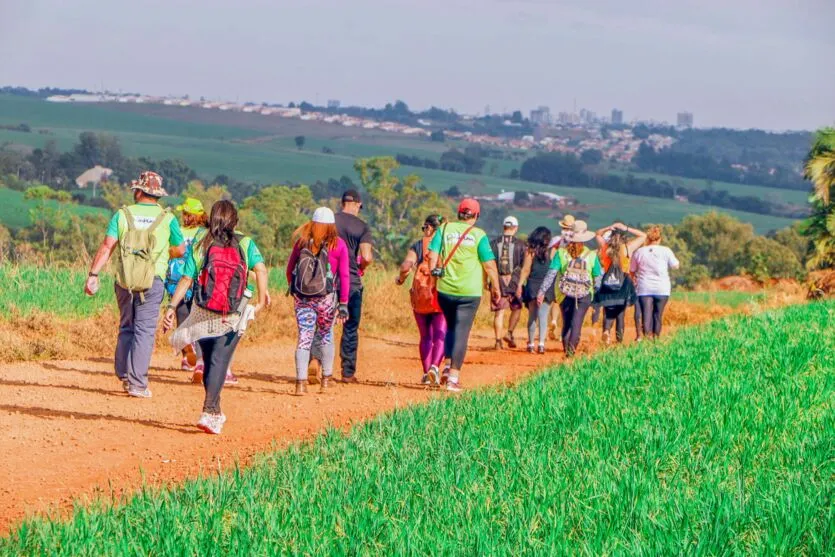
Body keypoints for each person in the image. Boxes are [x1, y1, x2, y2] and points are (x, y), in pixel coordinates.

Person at [163, 200, 269, 435]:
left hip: (202, 311)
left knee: (210, 360)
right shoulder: (246, 242)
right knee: (219, 362)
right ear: (235, 220)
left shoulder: (203, 243)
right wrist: (261, 300)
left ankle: (215, 410)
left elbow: (186, 279)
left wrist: (171, 306)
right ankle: (209, 410)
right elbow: (261, 269)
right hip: (231, 315)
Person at [85, 171, 185, 398]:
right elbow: (180, 250)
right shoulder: (168, 218)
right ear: (157, 194)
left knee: (127, 325)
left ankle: (123, 373)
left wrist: (93, 274)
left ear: (139, 191)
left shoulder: (122, 214)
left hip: (124, 280)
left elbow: (107, 246)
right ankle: (137, 383)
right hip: (153, 280)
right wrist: (162, 254)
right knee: (145, 331)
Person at [428, 199, 501, 392]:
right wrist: (496, 288)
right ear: (476, 216)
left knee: (451, 328)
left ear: (459, 213)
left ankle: (446, 367)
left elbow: (433, 255)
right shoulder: (479, 235)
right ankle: (453, 378)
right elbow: (489, 265)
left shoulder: (444, 229)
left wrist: (433, 277)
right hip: (469, 292)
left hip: (445, 290)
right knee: (461, 332)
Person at [286, 207, 351, 395]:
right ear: (332, 225)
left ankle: (300, 384)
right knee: (325, 335)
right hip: (326, 300)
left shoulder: (302, 242)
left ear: (312, 223)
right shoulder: (338, 245)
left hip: (303, 299)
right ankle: (326, 381)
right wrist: (343, 303)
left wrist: (296, 291)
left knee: (304, 338)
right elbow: (344, 276)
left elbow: (290, 269)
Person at [537, 220, 601, 357]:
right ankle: (570, 355)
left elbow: (551, 274)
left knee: (566, 323)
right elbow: (597, 277)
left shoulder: (561, 253)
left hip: (563, 293)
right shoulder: (591, 255)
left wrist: (542, 291)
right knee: (576, 324)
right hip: (584, 295)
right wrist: (596, 294)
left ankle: (567, 351)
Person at [395, 215, 447, 385]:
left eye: (424, 228)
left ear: (430, 228)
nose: (424, 231)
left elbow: (405, 266)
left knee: (425, 337)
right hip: (439, 295)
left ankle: (426, 374)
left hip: (420, 297)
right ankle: (434, 367)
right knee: (440, 335)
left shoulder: (418, 245)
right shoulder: (445, 245)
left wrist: (401, 279)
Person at [331, 190, 373, 383]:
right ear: (356, 204)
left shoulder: (329, 221)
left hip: (327, 281)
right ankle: (347, 373)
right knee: (350, 327)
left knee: (323, 325)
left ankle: (316, 361)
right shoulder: (362, 226)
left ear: (342, 203)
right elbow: (366, 257)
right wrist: (360, 267)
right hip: (352, 283)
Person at [165, 197, 208, 375]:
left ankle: (185, 356)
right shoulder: (206, 233)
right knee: (197, 319)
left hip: (177, 281)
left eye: (184, 213)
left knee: (181, 318)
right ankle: (199, 358)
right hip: (198, 280)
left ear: (189, 216)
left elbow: (170, 252)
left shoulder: (178, 232)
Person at [594, 222, 647, 344]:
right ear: (623, 237)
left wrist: (607, 227)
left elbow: (597, 234)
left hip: (608, 281)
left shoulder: (606, 247)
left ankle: (606, 331)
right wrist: (626, 228)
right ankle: (619, 340)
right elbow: (643, 236)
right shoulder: (628, 248)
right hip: (624, 282)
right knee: (620, 312)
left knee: (608, 308)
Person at [630, 225, 680, 339]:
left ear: (647, 239)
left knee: (646, 314)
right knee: (658, 315)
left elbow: (632, 270)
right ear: (659, 239)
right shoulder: (666, 250)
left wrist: (634, 279)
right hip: (662, 288)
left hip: (644, 288)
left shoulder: (639, 252)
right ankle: (656, 338)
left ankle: (647, 337)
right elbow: (675, 265)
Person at [515, 226, 554, 354]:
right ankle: (541, 344)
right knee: (543, 316)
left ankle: (531, 343)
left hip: (532, 284)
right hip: (546, 286)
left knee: (532, 316)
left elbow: (525, 270)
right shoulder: (552, 252)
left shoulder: (530, 251)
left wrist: (520, 284)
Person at [489, 216, 525, 350]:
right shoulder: (521, 245)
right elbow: (524, 266)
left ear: (503, 227)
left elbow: (489, 264)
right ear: (515, 228)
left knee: (499, 313)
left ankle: (498, 341)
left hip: (498, 282)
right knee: (517, 308)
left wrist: (490, 282)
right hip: (515, 281)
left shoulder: (493, 243)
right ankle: (509, 332)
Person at [547, 214, 575, 340]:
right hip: (572, 273)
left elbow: (551, 255)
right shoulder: (576, 240)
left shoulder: (557, 240)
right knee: (569, 301)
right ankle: (565, 329)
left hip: (559, 272)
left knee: (557, 300)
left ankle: (553, 320)